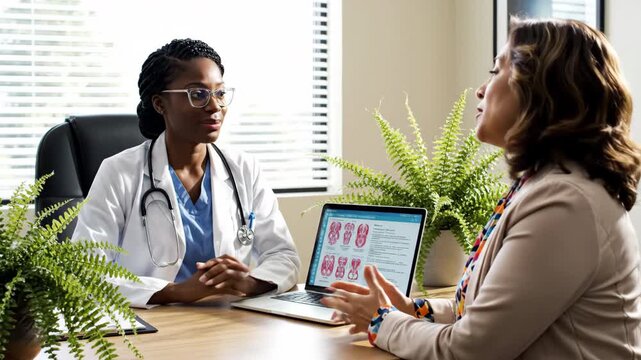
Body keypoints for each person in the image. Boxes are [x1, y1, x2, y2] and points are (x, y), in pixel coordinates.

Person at [321, 18, 641, 359]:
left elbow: (470, 349)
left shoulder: (566, 204)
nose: (480, 89)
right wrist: (411, 309)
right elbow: (487, 314)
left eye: (495, 70)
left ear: (540, 89)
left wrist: (381, 321)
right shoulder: (544, 186)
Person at [72, 38, 300, 308]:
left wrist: (248, 282)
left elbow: (284, 255)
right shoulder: (119, 173)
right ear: (160, 104)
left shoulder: (244, 169)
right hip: (150, 326)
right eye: (198, 94)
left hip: (229, 323)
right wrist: (175, 291)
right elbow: (84, 273)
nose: (215, 106)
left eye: (220, 93)